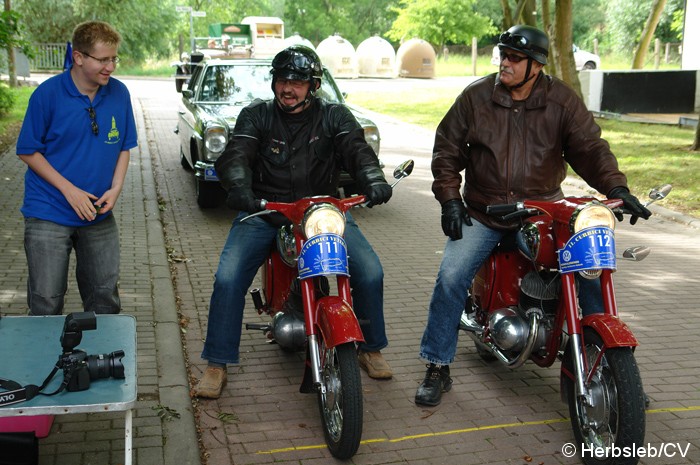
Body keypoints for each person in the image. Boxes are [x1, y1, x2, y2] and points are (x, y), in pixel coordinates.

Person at [414, 25, 652, 407]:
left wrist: (617, 189)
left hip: (544, 211)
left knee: (589, 271)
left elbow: (591, 148)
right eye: (502, 55)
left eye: (514, 58)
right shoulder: (475, 97)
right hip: (485, 211)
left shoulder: (561, 101)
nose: (504, 63)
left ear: (536, 66)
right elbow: (447, 152)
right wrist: (449, 200)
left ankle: (611, 369)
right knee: (451, 277)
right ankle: (437, 366)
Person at [194, 45, 394, 398]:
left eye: (298, 82)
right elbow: (237, 153)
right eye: (282, 79)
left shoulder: (335, 116)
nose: (288, 88)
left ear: (313, 85)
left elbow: (358, 152)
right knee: (228, 277)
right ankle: (216, 363)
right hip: (265, 210)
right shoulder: (256, 116)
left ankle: (371, 347)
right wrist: (239, 186)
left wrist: (374, 180)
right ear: (274, 82)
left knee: (370, 270)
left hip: (321, 213)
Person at [16, 21, 137, 316]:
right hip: (48, 211)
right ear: (79, 57)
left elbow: (124, 145)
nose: (111, 67)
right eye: (103, 59)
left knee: (105, 299)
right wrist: (69, 191)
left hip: (98, 213)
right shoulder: (47, 95)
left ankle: (99, 359)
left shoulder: (119, 94)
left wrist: (116, 187)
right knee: (46, 301)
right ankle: (44, 363)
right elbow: (27, 151)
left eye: (113, 59)